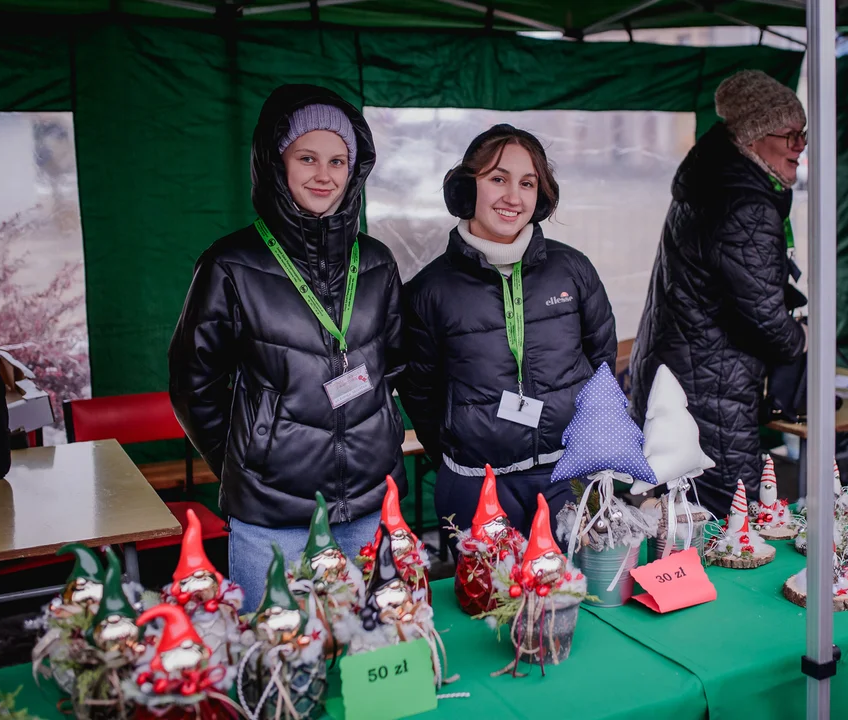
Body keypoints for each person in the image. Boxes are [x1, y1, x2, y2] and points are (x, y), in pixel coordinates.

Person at [168, 84, 405, 612]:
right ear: (277, 164)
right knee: (277, 663)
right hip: (272, 515)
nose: (324, 175)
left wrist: (377, 439)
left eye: (338, 161)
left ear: (355, 169)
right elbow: (193, 384)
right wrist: (246, 461)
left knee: (373, 649)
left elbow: (395, 362)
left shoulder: (377, 262)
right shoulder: (230, 264)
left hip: (369, 501)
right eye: (307, 157)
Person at [399, 124, 617, 543]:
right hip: (475, 484)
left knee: (577, 600)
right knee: (490, 604)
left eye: (527, 183)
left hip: (567, 476)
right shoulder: (429, 290)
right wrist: (459, 451)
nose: (513, 197)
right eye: (497, 179)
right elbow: (419, 393)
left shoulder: (572, 269)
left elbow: (602, 365)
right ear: (466, 189)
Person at [628, 70, 808, 519]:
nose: (799, 145)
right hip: (710, 390)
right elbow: (763, 317)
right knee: (732, 520)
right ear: (750, 140)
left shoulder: (710, 183)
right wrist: (801, 340)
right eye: (788, 135)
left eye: (802, 133)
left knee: (677, 515)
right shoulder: (744, 202)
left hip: (683, 376)